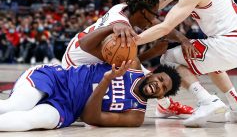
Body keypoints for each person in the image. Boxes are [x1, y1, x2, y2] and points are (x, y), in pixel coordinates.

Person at [0, 25, 181, 131]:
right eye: (160, 79)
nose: (159, 85)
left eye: (163, 89)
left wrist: (106, 81)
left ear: (160, 97)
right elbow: (85, 44)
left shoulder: (136, 116)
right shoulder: (132, 64)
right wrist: (112, 27)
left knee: (37, 121)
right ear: (152, 73)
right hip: (56, 78)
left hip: (67, 108)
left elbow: (90, 117)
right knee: (16, 106)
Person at [61, 0, 194, 117]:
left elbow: (160, 26)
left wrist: (183, 39)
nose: (155, 17)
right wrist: (153, 52)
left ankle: (165, 105)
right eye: (154, 14)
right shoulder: (121, 30)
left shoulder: (123, 7)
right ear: (142, 11)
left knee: (148, 77)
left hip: (78, 48)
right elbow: (127, 64)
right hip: (76, 66)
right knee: (142, 81)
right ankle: (165, 105)